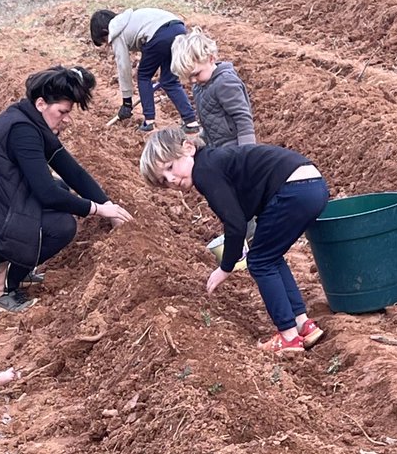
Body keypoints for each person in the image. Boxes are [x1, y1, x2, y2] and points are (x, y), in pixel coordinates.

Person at [0, 66, 133, 313]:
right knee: (62, 227)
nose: (67, 119)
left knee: (61, 186)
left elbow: (72, 171)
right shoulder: (22, 132)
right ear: (42, 103)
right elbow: (46, 194)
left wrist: (109, 207)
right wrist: (97, 209)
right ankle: (3, 288)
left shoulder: (27, 119)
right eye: (63, 112)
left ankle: (13, 266)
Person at [140, 128, 328, 355]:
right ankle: (302, 325)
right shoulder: (214, 161)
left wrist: (225, 267)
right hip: (312, 184)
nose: (171, 179)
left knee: (259, 262)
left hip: (293, 189)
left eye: (170, 167)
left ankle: (288, 336)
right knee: (269, 255)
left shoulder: (204, 171)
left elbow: (235, 224)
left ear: (188, 148)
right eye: (164, 180)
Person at [89, 8, 200, 135]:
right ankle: (191, 122)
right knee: (169, 81)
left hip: (159, 35)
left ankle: (149, 121)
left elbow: (124, 68)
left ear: (105, 31)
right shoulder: (130, 19)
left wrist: (127, 102)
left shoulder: (116, 31)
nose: (108, 45)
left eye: (104, 41)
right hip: (178, 29)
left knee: (143, 76)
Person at [170, 28, 256, 149]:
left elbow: (243, 118)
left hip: (233, 147)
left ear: (211, 59)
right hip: (216, 146)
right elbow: (209, 120)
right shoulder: (199, 87)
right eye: (188, 77)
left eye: (196, 74)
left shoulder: (225, 82)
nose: (193, 81)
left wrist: (246, 152)